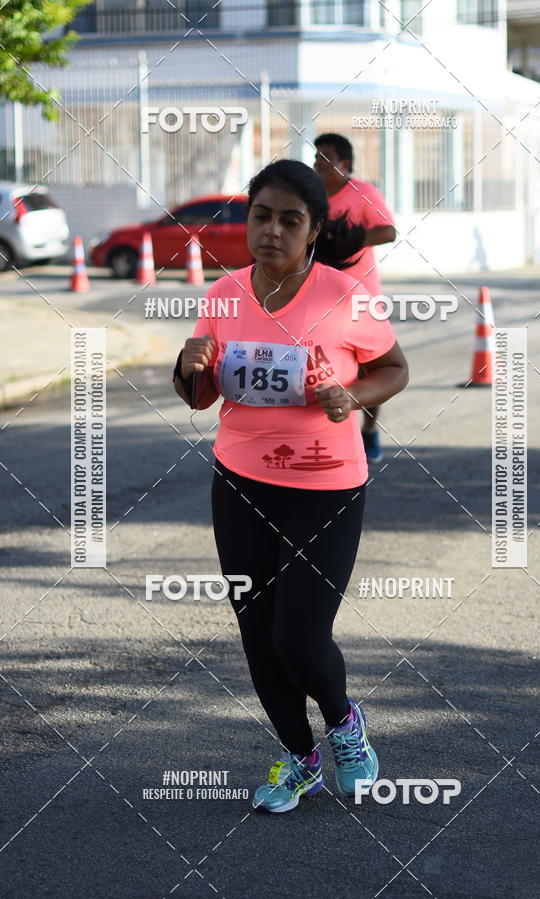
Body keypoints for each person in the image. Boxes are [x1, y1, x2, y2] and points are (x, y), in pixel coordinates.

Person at [173, 159, 408, 813]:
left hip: (325, 486)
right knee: (256, 633)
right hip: (241, 481)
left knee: (298, 637)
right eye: (261, 215)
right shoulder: (223, 295)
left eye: (290, 219)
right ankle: (300, 757)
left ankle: (343, 723)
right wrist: (188, 365)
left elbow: (394, 366)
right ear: (247, 220)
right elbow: (201, 394)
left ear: (312, 231)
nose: (272, 230)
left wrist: (351, 395)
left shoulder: (343, 293)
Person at [314, 133, 397, 464]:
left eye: (325, 157)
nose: (318, 163)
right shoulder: (313, 198)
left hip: (360, 297)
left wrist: (349, 238)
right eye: (315, 156)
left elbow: (388, 231)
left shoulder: (363, 193)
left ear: (344, 164)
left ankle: (369, 429)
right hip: (318, 297)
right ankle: (326, 432)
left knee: (369, 369)